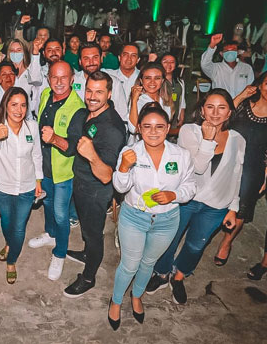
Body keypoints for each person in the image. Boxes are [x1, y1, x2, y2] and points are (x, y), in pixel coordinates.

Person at [147, 89, 242, 303]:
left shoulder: (238, 139)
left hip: (216, 205)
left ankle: (179, 277)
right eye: (210, 107)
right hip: (185, 199)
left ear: (229, 112)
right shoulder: (189, 131)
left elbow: (237, 175)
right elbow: (197, 168)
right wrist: (208, 140)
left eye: (222, 108)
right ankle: (161, 273)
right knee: (170, 238)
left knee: (196, 245)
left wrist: (233, 208)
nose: (215, 113)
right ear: (202, 111)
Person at [109, 103, 195, 330]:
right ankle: (116, 300)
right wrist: (124, 167)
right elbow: (120, 187)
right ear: (139, 128)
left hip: (167, 221)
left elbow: (190, 187)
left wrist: (174, 195)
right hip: (134, 217)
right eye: (147, 126)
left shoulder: (181, 155)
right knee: (129, 264)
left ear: (168, 128)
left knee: (148, 262)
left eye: (159, 126)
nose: (153, 131)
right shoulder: (130, 153)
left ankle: (137, 295)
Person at [63, 72, 126, 297]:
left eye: (99, 92)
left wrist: (91, 155)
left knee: (93, 234)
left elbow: (107, 176)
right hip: (81, 183)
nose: (92, 96)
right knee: (87, 229)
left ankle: (88, 277)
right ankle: (87, 253)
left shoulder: (112, 128)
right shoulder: (89, 114)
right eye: (89, 90)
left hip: (95, 191)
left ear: (109, 94)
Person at [0, 87, 44, 284]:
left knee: (19, 227)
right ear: (5, 105)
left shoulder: (32, 127)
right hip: (2, 186)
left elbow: (36, 155)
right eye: (14, 105)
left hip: (26, 187)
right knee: (7, 223)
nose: (19, 110)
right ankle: (9, 243)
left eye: (23, 105)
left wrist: (38, 180)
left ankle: (11, 261)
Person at [27, 61, 85, 280]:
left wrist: (54, 139)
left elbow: (72, 147)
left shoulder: (78, 108)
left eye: (64, 77)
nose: (59, 82)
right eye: (54, 77)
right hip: (44, 168)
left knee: (61, 215)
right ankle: (51, 235)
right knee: (48, 204)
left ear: (72, 79)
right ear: (48, 79)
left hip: (63, 173)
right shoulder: (45, 95)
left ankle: (60, 253)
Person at [214, 71, 267, 270]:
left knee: (243, 206)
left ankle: (226, 242)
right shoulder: (244, 105)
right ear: (260, 85)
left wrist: (265, 176)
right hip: (229, 158)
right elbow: (223, 115)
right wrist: (243, 94)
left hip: (254, 166)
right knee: (217, 198)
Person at [201, 33, 254, 98]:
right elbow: (204, 64)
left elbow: (250, 89)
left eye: (233, 50)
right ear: (221, 53)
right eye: (226, 51)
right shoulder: (216, 69)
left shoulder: (247, 68)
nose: (230, 53)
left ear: (238, 52)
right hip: (221, 103)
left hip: (242, 103)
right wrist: (212, 45)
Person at [129, 62, 173, 136]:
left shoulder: (165, 100)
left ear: (162, 81)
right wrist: (134, 101)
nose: (152, 82)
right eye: (148, 78)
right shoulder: (138, 100)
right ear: (141, 80)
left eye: (157, 78)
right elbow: (133, 129)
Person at [103, 43, 141, 123]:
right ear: (119, 58)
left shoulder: (144, 78)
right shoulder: (108, 75)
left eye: (133, 55)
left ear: (138, 60)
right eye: (125, 55)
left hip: (137, 123)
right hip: (112, 123)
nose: (129, 59)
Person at [161, 53, 186, 129]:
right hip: (160, 118)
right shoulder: (157, 81)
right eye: (165, 62)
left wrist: (182, 115)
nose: (168, 64)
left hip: (175, 119)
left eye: (172, 62)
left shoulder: (180, 81)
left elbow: (182, 100)